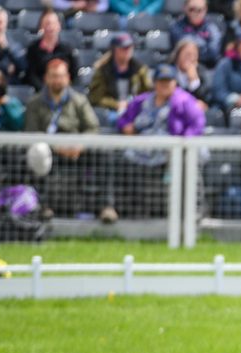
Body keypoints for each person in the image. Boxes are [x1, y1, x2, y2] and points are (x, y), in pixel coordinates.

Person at [23, 59, 114, 222]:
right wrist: (57, 147)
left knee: (104, 153)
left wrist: (80, 145)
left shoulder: (79, 100)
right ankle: (43, 207)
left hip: (76, 151)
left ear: (68, 78)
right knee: (38, 152)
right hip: (50, 151)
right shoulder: (34, 103)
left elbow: (93, 128)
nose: (57, 80)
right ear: (46, 78)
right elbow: (32, 133)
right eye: (53, 76)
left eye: (61, 76)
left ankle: (106, 207)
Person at [115, 65, 205, 216]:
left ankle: (193, 211)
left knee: (189, 161)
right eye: (161, 81)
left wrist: (183, 141)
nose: (165, 85)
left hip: (173, 150)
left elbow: (197, 124)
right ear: (154, 83)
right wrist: (126, 126)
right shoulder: (142, 101)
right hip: (143, 149)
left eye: (168, 81)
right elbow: (123, 120)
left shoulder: (184, 100)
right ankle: (124, 209)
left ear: (175, 83)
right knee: (118, 156)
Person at [89, 33, 153, 124]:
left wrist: (133, 104)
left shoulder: (140, 70)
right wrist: (117, 104)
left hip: (134, 110)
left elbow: (147, 94)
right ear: (114, 50)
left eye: (130, 47)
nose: (127, 50)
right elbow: (96, 98)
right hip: (109, 111)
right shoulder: (103, 71)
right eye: (123, 48)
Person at [24, 10, 76, 89]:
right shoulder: (33, 49)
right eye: (47, 23)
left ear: (59, 26)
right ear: (41, 26)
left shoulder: (67, 49)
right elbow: (31, 75)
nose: (50, 27)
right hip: (40, 91)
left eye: (53, 23)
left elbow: (73, 74)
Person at [170, 0, 224, 68]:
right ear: (185, 8)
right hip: (184, 66)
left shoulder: (212, 27)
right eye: (192, 9)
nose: (195, 13)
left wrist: (196, 48)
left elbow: (213, 52)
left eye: (199, 10)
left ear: (205, 10)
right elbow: (185, 50)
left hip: (209, 66)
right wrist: (203, 46)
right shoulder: (176, 26)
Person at [171, 38, 211, 107]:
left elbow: (206, 98)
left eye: (194, 55)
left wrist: (194, 81)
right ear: (178, 55)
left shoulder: (202, 71)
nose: (191, 58)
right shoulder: (169, 70)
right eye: (187, 54)